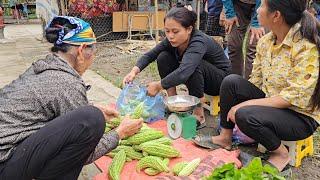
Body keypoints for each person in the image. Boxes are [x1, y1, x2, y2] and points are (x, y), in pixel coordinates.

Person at [0, 16, 143, 179]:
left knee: (90, 112)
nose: (93, 59)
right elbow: (84, 154)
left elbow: (54, 107)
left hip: (8, 150)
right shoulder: (67, 82)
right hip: (4, 164)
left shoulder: (45, 67)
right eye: (94, 52)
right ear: (81, 51)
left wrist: (91, 106)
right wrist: (120, 133)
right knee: (92, 118)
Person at [211, 0, 320, 171]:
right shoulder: (266, 42)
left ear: (276, 15)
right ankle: (225, 136)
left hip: (299, 116)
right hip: (272, 103)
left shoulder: (305, 47)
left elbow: (290, 98)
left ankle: (280, 153)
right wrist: (242, 98)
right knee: (231, 82)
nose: (257, 10)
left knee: (244, 114)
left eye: (261, 6)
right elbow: (255, 81)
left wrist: (244, 105)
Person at [123, 7, 231, 128]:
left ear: (189, 29)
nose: (170, 36)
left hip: (220, 82)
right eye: (167, 31)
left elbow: (184, 72)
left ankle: (199, 115)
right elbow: (150, 54)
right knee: (163, 57)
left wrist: (158, 85)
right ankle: (173, 102)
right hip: (199, 77)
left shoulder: (198, 42)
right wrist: (133, 72)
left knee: (193, 66)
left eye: (175, 31)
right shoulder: (172, 40)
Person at [222, 0, 265, 79]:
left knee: (254, 45)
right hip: (237, 5)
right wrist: (230, 14)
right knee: (234, 45)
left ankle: (251, 86)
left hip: (263, 3)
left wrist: (256, 22)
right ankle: (234, 84)